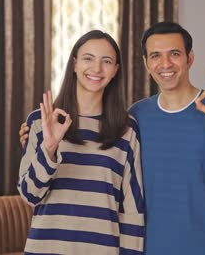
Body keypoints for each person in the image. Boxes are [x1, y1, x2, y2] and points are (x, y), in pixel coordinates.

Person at [20, 22, 205, 255]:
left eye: (175, 54)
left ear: (189, 58)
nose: (165, 63)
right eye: (156, 56)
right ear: (146, 64)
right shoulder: (136, 117)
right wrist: (43, 144)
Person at [18, 30, 144, 255]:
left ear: (115, 71)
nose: (96, 69)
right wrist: (49, 148)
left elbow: (132, 209)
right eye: (88, 58)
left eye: (106, 61)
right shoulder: (40, 121)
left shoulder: (127, 128)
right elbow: (29, 195)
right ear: (74, 64)